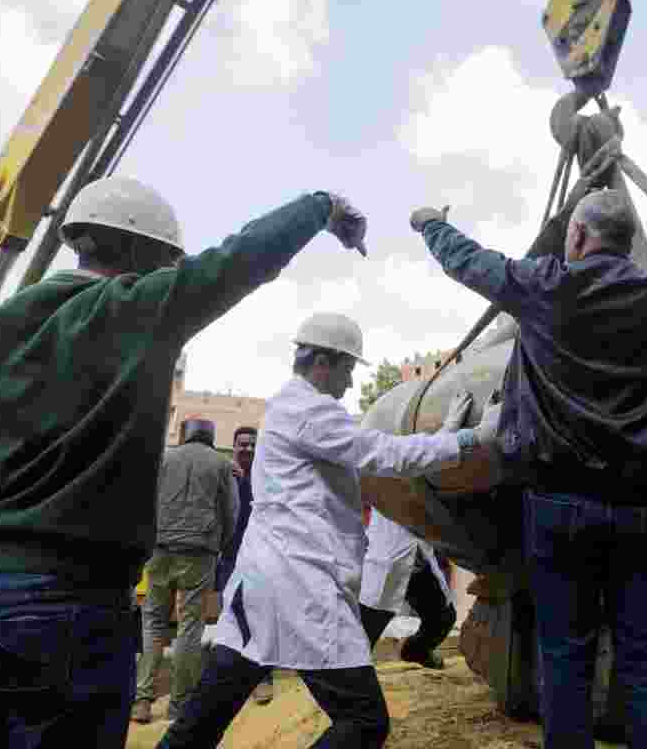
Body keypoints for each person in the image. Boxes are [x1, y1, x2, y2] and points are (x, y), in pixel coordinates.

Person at [0, 176, 367, 748]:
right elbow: (239, 258)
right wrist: (321, 207)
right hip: (66, 601)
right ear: (138, 253)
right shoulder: (132, 311)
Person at [409, 189, 647, 749]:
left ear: (577, 237)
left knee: (565, 657)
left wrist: (430, 226)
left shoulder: (549, 286)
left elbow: (471, 263)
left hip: (560, 504)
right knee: (645, 659)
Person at [155, 312, 495, 749]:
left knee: (201, 723)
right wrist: (470, 440)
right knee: (364, 720)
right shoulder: (311, 412)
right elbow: (383, 453)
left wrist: (447, 435)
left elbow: (375, 466)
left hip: (264, 586)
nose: (350, 384)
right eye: (349, 370)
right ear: (325, 363)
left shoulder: (290, 408)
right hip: (301, 587)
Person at [132, 418, 239, 724]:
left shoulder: (162, 458)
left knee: (153, 621)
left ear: (184, 434)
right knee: (190, 627)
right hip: (200, 551)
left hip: (160, 548)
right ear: (211, 436)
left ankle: (142, 701)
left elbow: (144, 502)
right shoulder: (221, 464)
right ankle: (179, 706)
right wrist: (218, 544)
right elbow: (231, 511)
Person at [213, 425, 277, 705]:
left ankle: (263, 676)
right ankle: (228, 679)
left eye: (252, 444)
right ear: (234, 445)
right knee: (230, 612)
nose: (247, 449)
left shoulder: (267, 476)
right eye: (243, 444)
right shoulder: (224, 473)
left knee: (260, 612)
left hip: (260, 556)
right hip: (229, 556)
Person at [359, 508, 457, 669]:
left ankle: (416, 651)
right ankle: (346, 681)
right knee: (365, 633)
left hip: (419, 556)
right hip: (386, 560)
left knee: (443, 618)